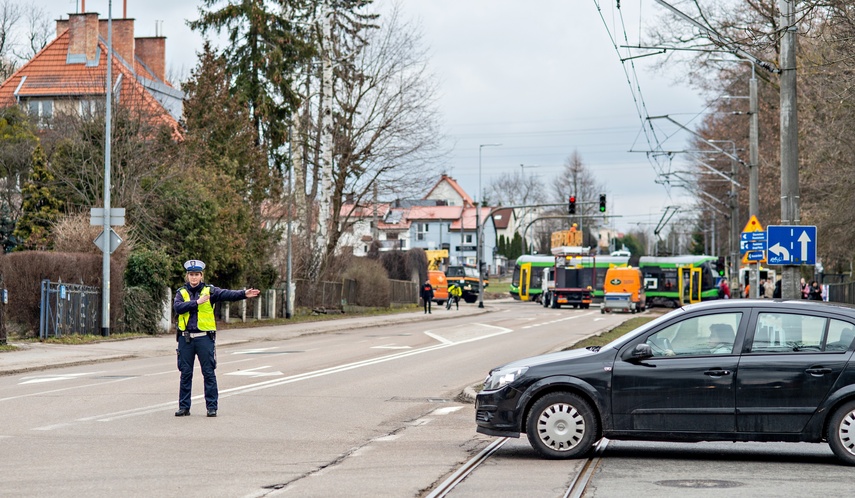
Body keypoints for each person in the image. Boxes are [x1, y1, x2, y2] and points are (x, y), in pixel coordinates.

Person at [174, 259, 260, 417]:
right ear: (187, 276)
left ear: (201, 276)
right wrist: (196, 302)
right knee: (185, 373)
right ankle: (184, 407)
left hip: (204, 338)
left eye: (197, 274)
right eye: (191, 275)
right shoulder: (181, 292)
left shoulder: (210, 291)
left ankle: (211, 407)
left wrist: (243, 294)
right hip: (185, 338)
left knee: (208, 372)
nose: (194, 278)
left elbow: (227, 294)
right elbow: (178, 307)